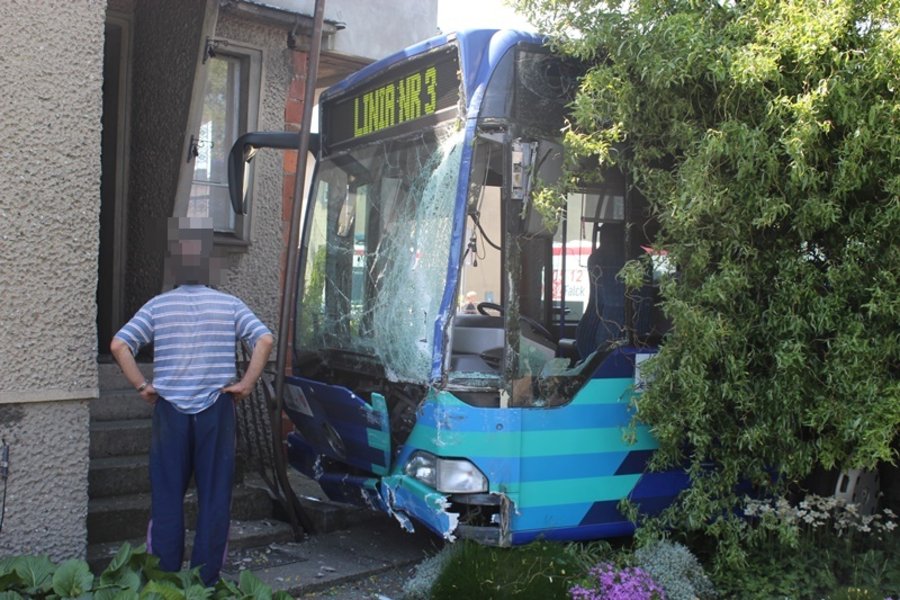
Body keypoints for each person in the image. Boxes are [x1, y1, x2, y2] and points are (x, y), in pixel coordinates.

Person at [109, 217, 274, 586]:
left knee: (167, 497)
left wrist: (142, 386)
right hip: (216, 409)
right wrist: (246, 384)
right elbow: (264, 339)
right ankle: (204, 584)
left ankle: (164, 582)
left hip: (170, 410)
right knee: (215, 498)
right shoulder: (230, 305)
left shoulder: (158, 306)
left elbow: (119, 345)